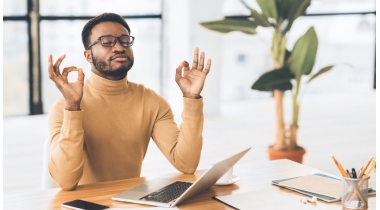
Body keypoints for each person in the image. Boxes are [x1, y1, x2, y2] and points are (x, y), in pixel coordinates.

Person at [47, 13, 212, 190]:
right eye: (107, 41)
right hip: (83, 205)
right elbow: (65, 181)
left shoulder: (151, 101)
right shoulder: (64, 107)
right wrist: (73, 108)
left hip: (131, 202)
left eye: (124, 40)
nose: (119, 47)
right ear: (88, 55)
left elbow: (186, 163)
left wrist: (191, 99)